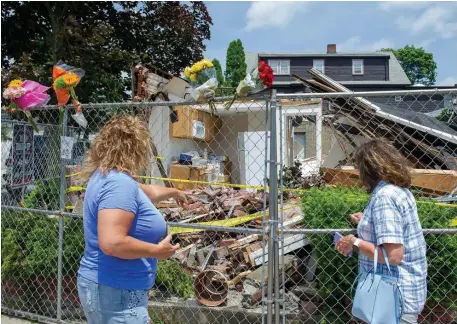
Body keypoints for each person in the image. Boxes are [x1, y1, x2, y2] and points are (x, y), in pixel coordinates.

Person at [77, 115, 187, 324]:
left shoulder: (107, 177)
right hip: (117, 291)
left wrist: (174, 192)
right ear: (134, 148)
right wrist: (158, 252)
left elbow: (149, 192)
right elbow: (112, 243)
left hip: (110, 288)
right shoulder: (119, 184)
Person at [336, 139, 427, 324]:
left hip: (394, 301)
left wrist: (355, 241)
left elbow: (393, 256)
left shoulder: (385, 197)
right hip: (401, 298)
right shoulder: (398, 191)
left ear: (369, 169)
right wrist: (368, 221)